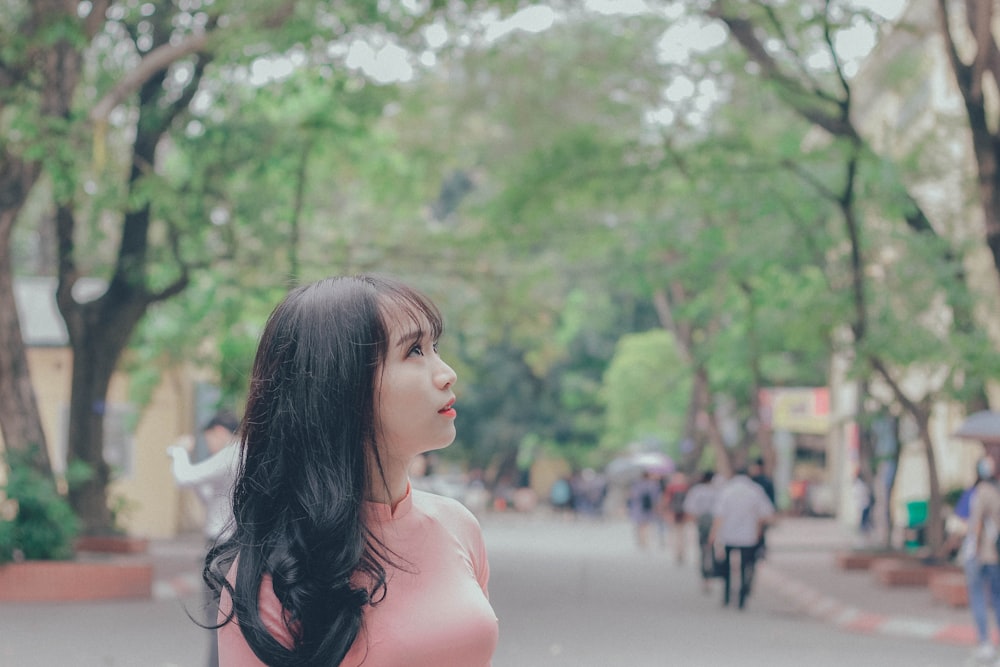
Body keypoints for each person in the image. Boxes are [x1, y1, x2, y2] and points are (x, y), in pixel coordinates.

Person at [203, 274, 498, 666]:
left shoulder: (458, 526)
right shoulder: (277, 574)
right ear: (343, 387)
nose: (446, 373)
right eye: (414, 351)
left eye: (434, 346)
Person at [167, 409, 241, 667]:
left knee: (216, 620)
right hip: (232, 547)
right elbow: (211, 499)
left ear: (219, 432)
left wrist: (178, 452)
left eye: (208, 438)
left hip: (222, 549)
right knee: (226, 621)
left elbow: (184, 477)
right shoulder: (243, 456)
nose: (208, 444)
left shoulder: (231, 454)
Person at [709, 466, 775, 610]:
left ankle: (726, 596)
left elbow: (719, 516)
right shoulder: (755, 490)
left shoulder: (726, 490)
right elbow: (765, 514)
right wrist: (758, 531)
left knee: (726, 568)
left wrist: (713, 534)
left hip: (728, 535)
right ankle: (742, 598)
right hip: (748, 536)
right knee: (746, 566)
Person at [965, 456, 1000, 663]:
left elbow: (975, 523)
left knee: (978, 595)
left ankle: (985, 642)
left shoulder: (983, 492)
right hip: (997, 555)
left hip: (983, 555)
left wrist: (972, 551)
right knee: (997, 599)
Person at [682, 470, 720, 593]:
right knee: (713, 548)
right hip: (716, 523)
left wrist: (694, 521)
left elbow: (690, 508)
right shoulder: (717, 491)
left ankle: (706, 578)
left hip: (702, 524)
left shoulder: (697, 490)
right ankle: (712, 575)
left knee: (703, 549)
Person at [628, 470, 663, 550]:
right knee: (647, 526)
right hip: (649, 508)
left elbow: (633, 495)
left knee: (640, 526)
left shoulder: (637, 484)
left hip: (638, 507)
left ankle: (641, 541)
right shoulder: (653, 485)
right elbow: (656, 497)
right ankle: (646, 541)